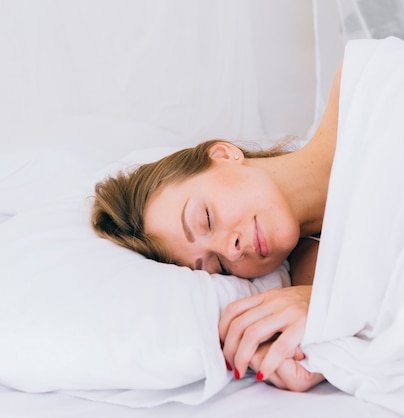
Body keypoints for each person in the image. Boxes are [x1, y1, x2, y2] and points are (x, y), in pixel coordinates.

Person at [91, 64, 344, 392]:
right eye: (219, 267)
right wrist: (324, 322)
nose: (230, 250)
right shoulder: (311, 280)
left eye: (207, 219)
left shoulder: (364, 89)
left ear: (223, 154)